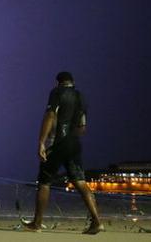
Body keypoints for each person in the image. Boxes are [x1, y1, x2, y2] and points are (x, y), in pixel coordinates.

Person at [23, 72, 104, 234]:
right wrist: (70, 138)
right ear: (73, 82)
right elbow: (82, 127)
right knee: (80, 181)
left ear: (57, 83)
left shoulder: (56, 92)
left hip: (57, 143)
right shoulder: (81, 96)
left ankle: (37, 223)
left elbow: (50, 115)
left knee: (44, 182)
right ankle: (97, 222)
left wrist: (41, 142)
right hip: (74, 144)